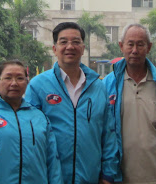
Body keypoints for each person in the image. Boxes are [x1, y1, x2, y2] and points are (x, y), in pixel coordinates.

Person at [25, 22, 118, 184]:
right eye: (63, 42)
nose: (70, 47)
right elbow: (30, 136)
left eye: (76, 42)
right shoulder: (38, 86)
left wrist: (108, 174)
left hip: (90, 177)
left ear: (83, 48)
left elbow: (108, 134)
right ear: (54, 49)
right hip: (50, 178)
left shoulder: (98, 87)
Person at [103, 23, 156, 184]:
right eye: (130, 44)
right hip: (119, 177)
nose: (135, 50)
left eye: (140, 44)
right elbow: (101, 132)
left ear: (149, 47)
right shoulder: (108, 84)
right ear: (121, 46)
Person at [0, 60, 63, 184]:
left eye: (20, 78)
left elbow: (53, 162)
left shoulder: (39, 117)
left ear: (27, 82)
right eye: (8, 78)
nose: (14, 83)